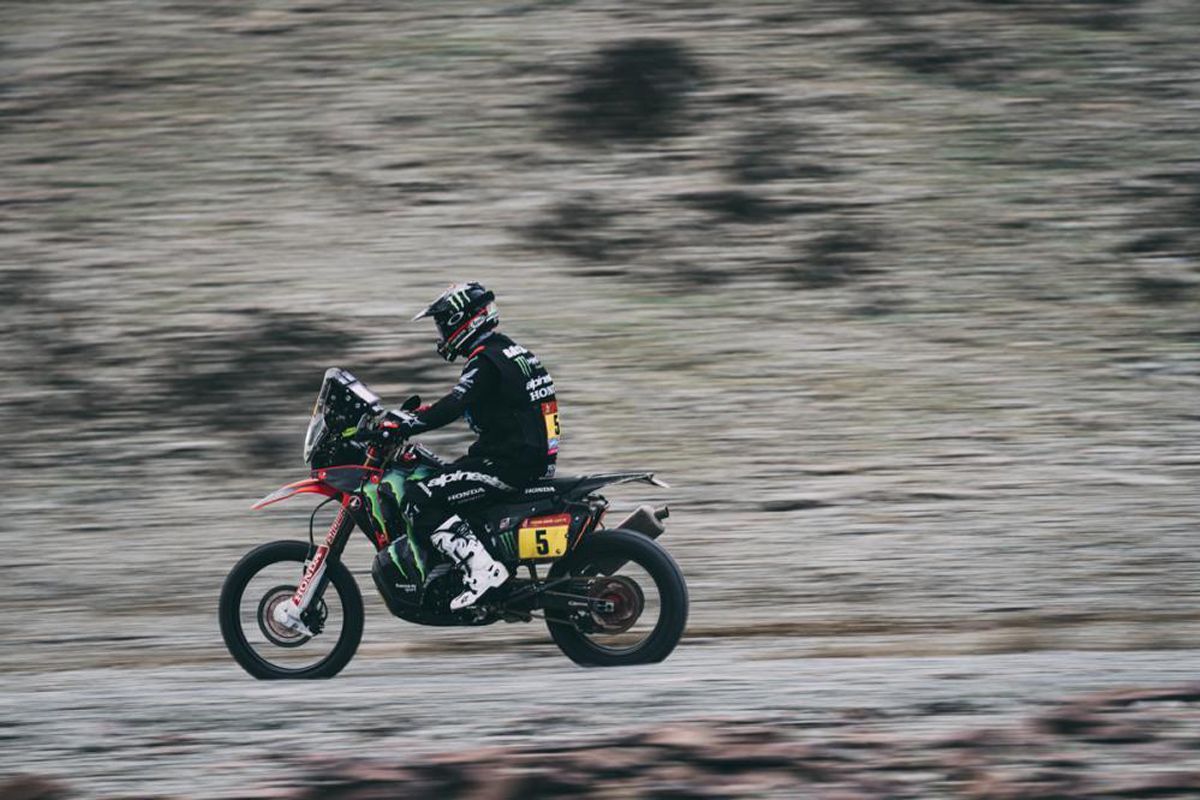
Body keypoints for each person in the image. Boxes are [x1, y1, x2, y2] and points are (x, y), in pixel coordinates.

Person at [373, 282, 561, 610]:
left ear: (464, 320)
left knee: (420, 496)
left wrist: (408, 424)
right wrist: (419, 414)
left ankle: (483, 570)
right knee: (447, 479)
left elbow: (456, 403)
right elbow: (476, 400)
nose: (442, 333)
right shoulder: (509, 352)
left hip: (508, 465)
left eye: (443, 323)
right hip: (524, 458)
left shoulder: (485, 360)